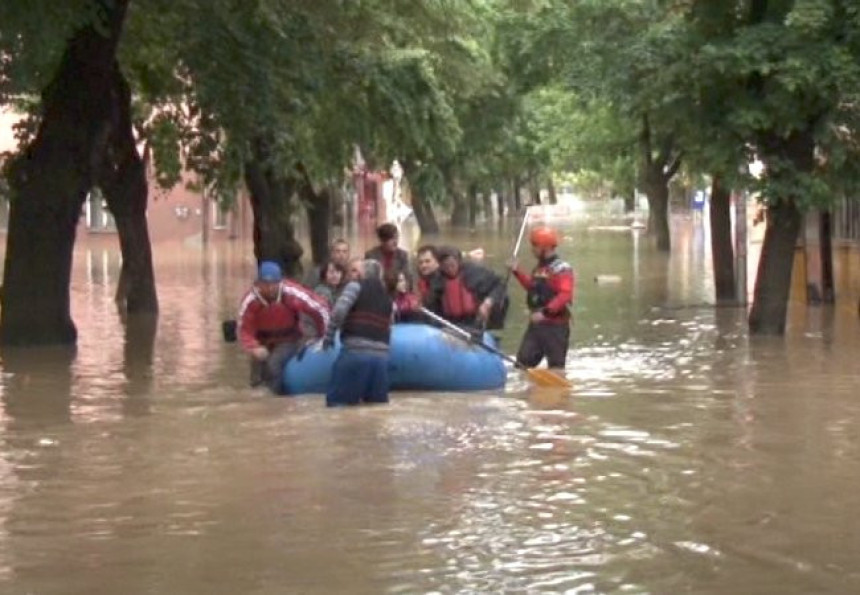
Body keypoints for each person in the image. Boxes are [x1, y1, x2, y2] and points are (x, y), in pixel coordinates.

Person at [238, 260, 330, 393]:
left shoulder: (291, 292)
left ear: (280, 282)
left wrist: (325, 335)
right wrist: (253, 347)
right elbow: (243, 328)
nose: (270, 288)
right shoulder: (250, 300)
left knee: (273, 364)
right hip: (261, 342)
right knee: (256, 378)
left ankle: (274, 400)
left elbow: (320, 308)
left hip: (289, 340)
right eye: (265, 284)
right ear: (258, 284)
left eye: (274, 284)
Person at [322, 259, 393, 407]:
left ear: (362, 273)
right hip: (381, 360)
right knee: (376, 408)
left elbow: (338, 312)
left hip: (356, 353)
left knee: (336, 404)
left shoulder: (354, 286)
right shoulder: (388, 298)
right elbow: (390, 326)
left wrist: (328, 337)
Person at [509, 226, 574, 369]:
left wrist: (544, 312)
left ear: (544, 247)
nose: (532, 250)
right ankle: (527, 389)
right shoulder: (539, 268)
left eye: (535, 246)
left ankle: (556, 391)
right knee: (522, 364)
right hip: (537, 327)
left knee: (556, 368)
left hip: (555, 326)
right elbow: (533, 289)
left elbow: (565, 295)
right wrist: (517, 272)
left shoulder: (562, 269)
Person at [431, 246, 507, 332]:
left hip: (474, 321)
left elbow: (500, 285)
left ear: (458, 261)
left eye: (452, 265)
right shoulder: (437, 280)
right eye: (445, 266)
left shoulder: (475, 272)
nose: (449, 269)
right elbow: (432, 304)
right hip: (451, 323)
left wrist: (488, 302)